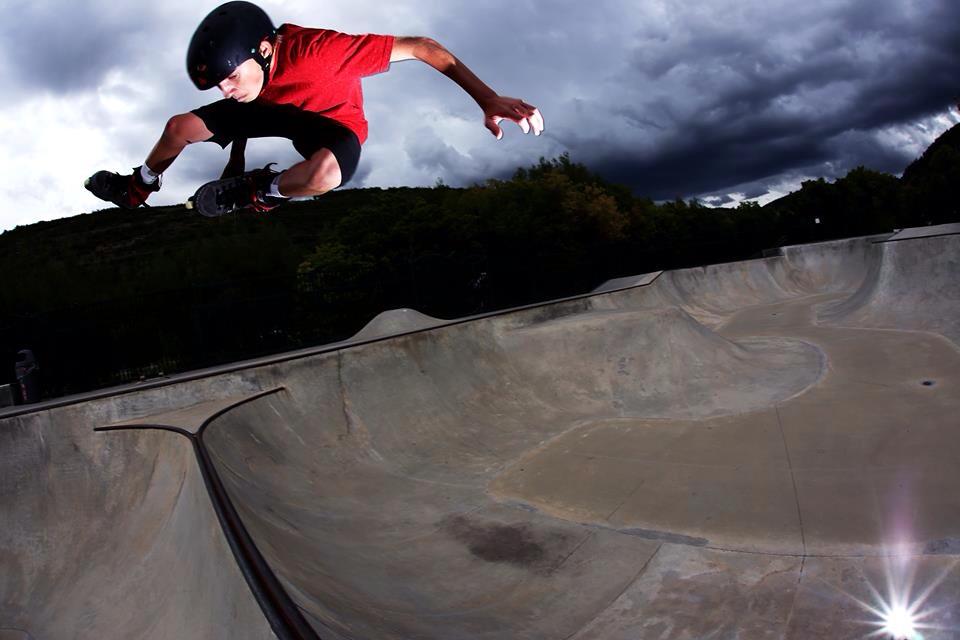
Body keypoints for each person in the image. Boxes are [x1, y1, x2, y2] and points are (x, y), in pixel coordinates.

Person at [86, 1, 545, 215]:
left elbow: (423, 47)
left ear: (265, 49)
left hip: (331, 124)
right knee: (180, 125)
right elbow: (237, 98)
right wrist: (235, 141)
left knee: (324, 177)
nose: (226, 89)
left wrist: (485, 97)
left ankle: (260, 193)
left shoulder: (322, 51)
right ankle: (137, 187)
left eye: (230, 77)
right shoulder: (249, 78)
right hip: (273, 108)